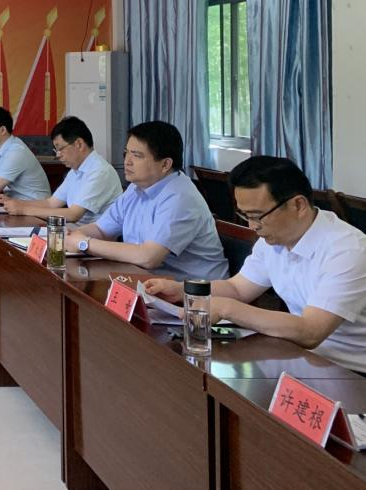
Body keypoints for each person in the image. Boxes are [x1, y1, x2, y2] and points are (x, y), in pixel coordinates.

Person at [145, 156, 366, 373]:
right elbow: (237, 288)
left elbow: (311, 331)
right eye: (245, 215)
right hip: (303, 357)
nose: (252, 226)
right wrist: (183, 290)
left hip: (351, 372)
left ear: (298, 205)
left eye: (258, 216)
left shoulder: (347, 251)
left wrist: (227, 309)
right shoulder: (274, 239)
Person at [65, 121, 228, 281]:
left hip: (196, 292)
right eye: (126, 153)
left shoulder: (180, 198)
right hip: (149, 280)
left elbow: (149, 257)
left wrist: (84, 243)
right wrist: (70, 235)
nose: (127, 161)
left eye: (137, 156)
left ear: (165, 164)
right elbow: (101, 230)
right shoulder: (135, 188)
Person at [0, 116, 122, 224]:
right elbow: (51, 203)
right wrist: (14, 202)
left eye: (60, 149)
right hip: (74, 233)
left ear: (79, 144)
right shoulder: (75, 171)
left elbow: (73, 214)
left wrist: (23, 210)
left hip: (93, 239)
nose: (58, 155)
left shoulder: (99, 171)